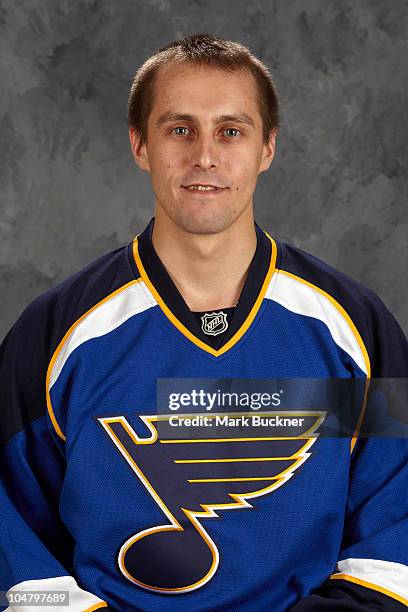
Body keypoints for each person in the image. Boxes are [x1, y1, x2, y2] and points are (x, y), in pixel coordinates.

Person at [0, 32, 407, 612]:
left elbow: (399, 518)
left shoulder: (351, 327)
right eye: (179, 129)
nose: (205, 157)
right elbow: (12, 528)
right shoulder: (61, 332)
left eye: (231, 131)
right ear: (141, 145)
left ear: (268, 147)